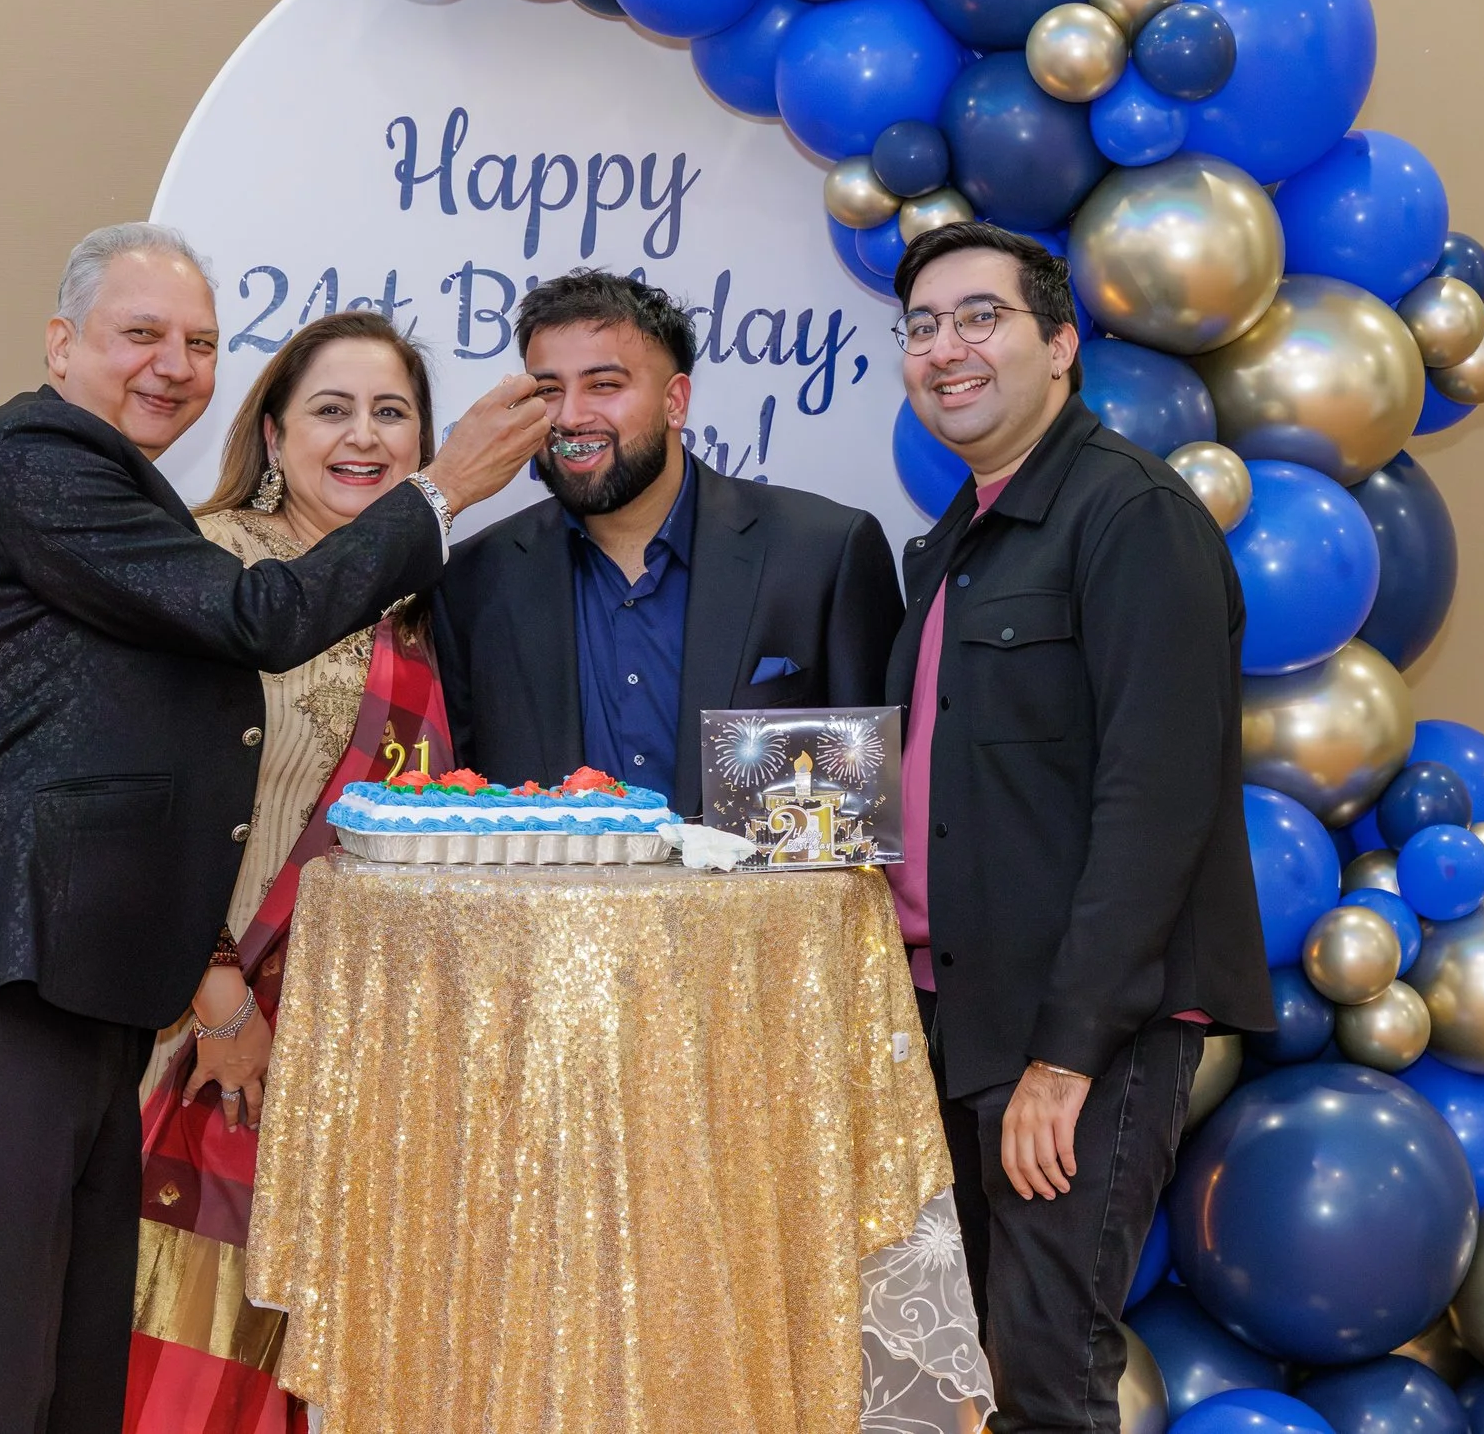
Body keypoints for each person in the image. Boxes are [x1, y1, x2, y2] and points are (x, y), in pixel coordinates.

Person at [0, 224, 546, 1434]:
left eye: (199, 342)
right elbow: (262, 613)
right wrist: (445, 485)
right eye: (139, 335)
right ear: (62, 344)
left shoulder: (116, 490)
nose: (173, 365)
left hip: (80, 991)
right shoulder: (34, 460)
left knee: (73, 1378)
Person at [883, 221, 1274, 1433]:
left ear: (1060, 344)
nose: (946, 347)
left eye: (979, 317)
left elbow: (1154, 803)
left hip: (1073, 1035)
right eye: (922, 326)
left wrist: (1066, 1056)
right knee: (963, 1380)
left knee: (1047, 1381)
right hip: (957, 1018)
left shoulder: (1131, 515)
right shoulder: (955, 539)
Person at [124, 310, 458, 1434]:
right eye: (331, 408)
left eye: (391, 413)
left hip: (361, 1065)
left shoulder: (424, 613)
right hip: (208, 1040)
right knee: (192, 1365)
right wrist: (219, 999)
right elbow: (143, 800)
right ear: (272, 434)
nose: (362, 436)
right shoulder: (209, 564)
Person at [434, 267, 903, 814]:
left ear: (675, 402)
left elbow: (873, 810)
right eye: (548, 391)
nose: (571, 416)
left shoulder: (824, 553)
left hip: (760, 902)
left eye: (604, 385)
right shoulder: (475, 580)